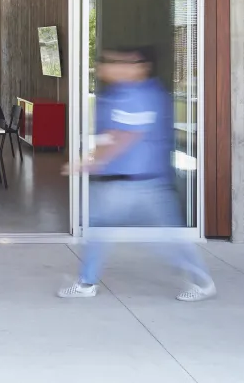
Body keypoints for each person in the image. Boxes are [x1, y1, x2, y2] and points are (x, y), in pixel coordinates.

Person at [58, 47, 216, 302]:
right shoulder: (120, 93)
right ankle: (87, 282)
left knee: (163, 239)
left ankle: (201, 280)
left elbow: (123, 137)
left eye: (118, 62)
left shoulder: (141, 95)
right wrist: (92, 158)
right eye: (108, 62)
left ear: (139, 66)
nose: (108, 67)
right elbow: (111, 134)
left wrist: (87, 163)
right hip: (124, 182)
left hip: (140, 184)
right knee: (99, 229)